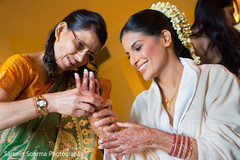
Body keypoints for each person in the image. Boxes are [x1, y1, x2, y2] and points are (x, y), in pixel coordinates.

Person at [99, 2, 240, 160]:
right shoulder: (142, 104)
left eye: (137, 48)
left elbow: (228, 150)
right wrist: (109, 134)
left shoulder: (216, 79)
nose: (133, 61)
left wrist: (155, 138)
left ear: (165, 38)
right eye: (128, 55)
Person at [0, 9, 117, 159]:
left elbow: (110, 147)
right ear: (61, 30)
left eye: (89, 55)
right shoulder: (21, 67)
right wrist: (52, 102)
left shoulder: (87, 86)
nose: (81, 58)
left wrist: (102, 131)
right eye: (79, 45)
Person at [190, 0, 240, 78]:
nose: (234, 21)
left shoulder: (227, 46)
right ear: (216, 11)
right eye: (231, 12)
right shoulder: (182, 47)